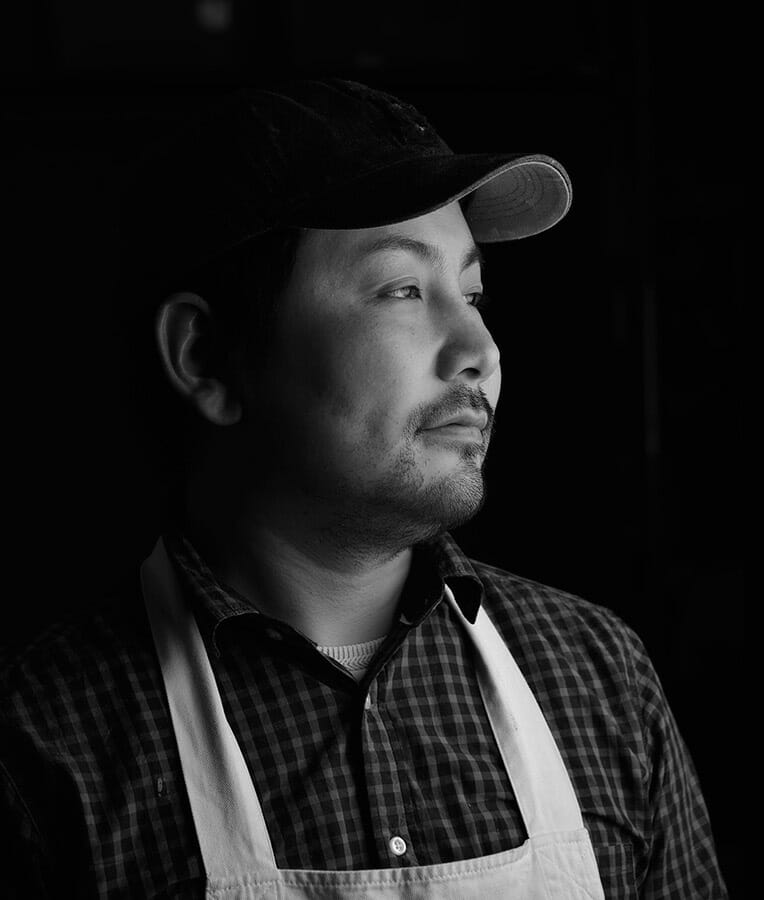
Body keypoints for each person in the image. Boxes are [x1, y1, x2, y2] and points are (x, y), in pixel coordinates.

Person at [1, 79, 727, 898]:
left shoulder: (599, 678)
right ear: (205, 357)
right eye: (402, 290)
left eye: (474, 294)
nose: (480, 351)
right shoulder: (44, 742)